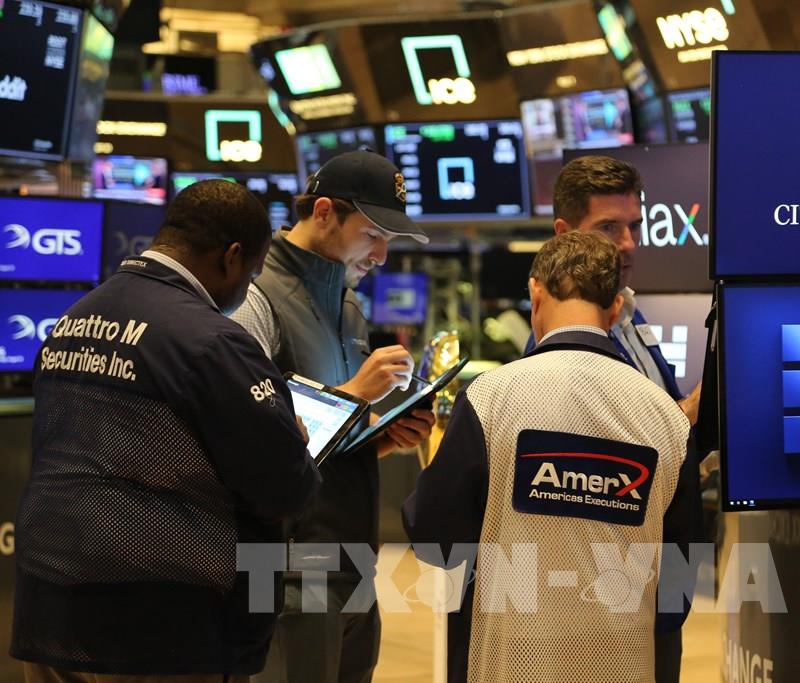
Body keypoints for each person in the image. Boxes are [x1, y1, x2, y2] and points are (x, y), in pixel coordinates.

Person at [10, 179, 322, 682]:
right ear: (232, 257)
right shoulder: (213, 343)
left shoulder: (73, 320)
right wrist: (295, 441)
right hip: (163, 631)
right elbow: (285, 489)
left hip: (52, 612)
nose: (247, 287)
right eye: (252, 273)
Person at [403, 230, 691, 682]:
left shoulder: (490, 398)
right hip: (622, 663)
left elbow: (433, 536)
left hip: (509, 661)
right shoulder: (667, 417)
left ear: (536, 294)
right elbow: (678, 582)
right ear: (615, 308)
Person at [230, 150, 436, 683]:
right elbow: (247, 439)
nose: (382, 255)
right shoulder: (253, 297)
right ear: (324, 212)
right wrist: (355, 392)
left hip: (355, 562)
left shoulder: (348, 304)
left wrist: (381, 439)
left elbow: (322, 447)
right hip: (291, 569)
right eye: (372, 235)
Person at [526, 154, 705, 681]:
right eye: (608, 228)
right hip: (601, 599)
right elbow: (599, 458)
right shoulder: (550, 345)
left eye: (634, 226)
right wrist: (688, 413)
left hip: (657, 584)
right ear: (565, 235)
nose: (627, 244)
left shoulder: (629, 311)